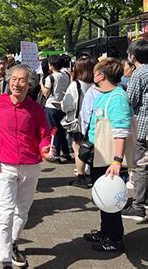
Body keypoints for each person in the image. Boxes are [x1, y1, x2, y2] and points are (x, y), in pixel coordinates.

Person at [0, 64, 52, 268]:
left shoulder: (36, 109)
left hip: (31, 166)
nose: (17, 84)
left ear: (29, 84)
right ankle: (5, 260)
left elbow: (44, 135)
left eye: (22, 80)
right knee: (4, 213)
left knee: (22, 211)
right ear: (8, 80)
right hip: (4, 166)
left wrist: (46, 148)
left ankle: (12, 243)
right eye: (13, 79)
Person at [83, 58, 133, 253]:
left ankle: (114, 238)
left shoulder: (117, 97)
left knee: (111, 199)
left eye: (95, 73)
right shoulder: (103, 94)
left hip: (110, 159)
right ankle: (105, 232)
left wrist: (117, 160)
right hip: (99, 155)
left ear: (101, 76)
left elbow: (121, 131)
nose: (93, 76)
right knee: (102, 198)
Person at [121, 39, 148, 220]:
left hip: (143, 126)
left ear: (133, 55)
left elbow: (129, 101)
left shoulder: (139, 73)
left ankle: (138, 205)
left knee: (141, 166)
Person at [61, 57, 95, 188]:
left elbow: (66, 105)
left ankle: (81, 176)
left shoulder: (76, 84)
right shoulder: (95, 84)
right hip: (92, 121)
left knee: (78, 148)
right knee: (90, 148)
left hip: (78, 123)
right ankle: (90, 174)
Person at [40, 55, 71, 162]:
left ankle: (55, 153)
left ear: (52, 65)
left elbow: (45, 93)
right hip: (62, 105)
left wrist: (41, 84)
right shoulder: (66, 75)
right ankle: (66, 152)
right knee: (62, 130)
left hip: (51, 106)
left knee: (54, 131)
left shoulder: (51, 77)